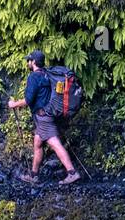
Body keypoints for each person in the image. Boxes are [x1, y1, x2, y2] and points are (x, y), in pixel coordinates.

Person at [7, 49, 80, 185]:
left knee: (55, 143)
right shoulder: (46, 74)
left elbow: (28, 100)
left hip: (43, 117)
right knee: (38, 144)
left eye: (29, 60)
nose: (28, 62)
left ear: (33, 62)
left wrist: (13, 104)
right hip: (46, 115)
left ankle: (72, 173)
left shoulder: (34, 77)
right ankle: (34, 175)